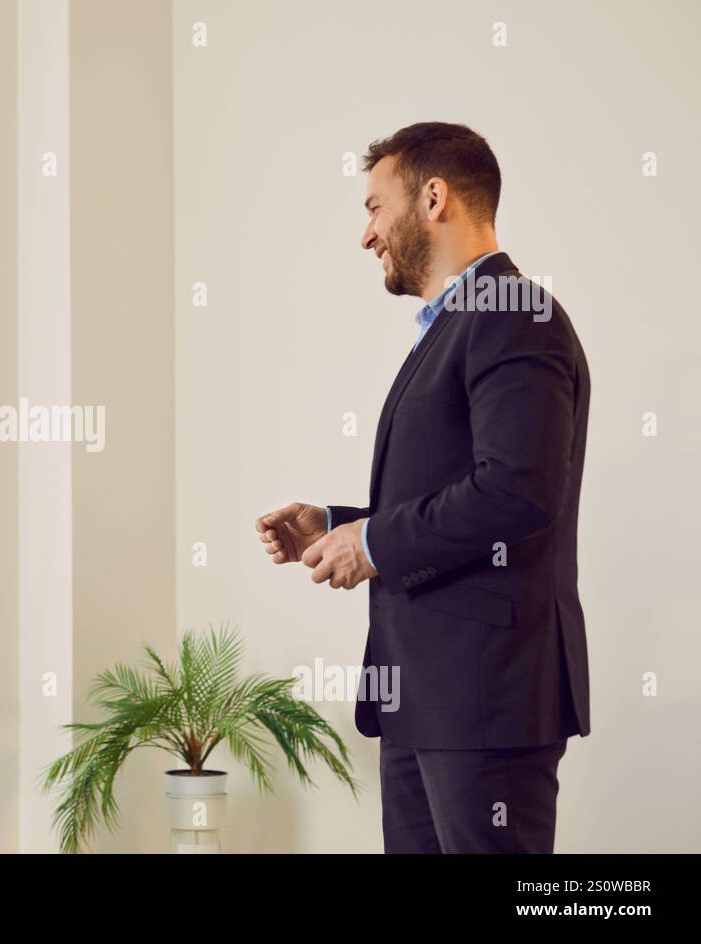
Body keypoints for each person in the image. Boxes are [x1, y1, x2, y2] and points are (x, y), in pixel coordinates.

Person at [255, 123, 590, 853]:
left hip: (484, 700)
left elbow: (516, 492)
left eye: (376, 207)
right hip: (427, 702)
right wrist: (340, 526)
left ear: (434, 197)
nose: (367, 235)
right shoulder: (457, 325)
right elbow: (459, 491)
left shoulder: (512, 314)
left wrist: (372, 544)